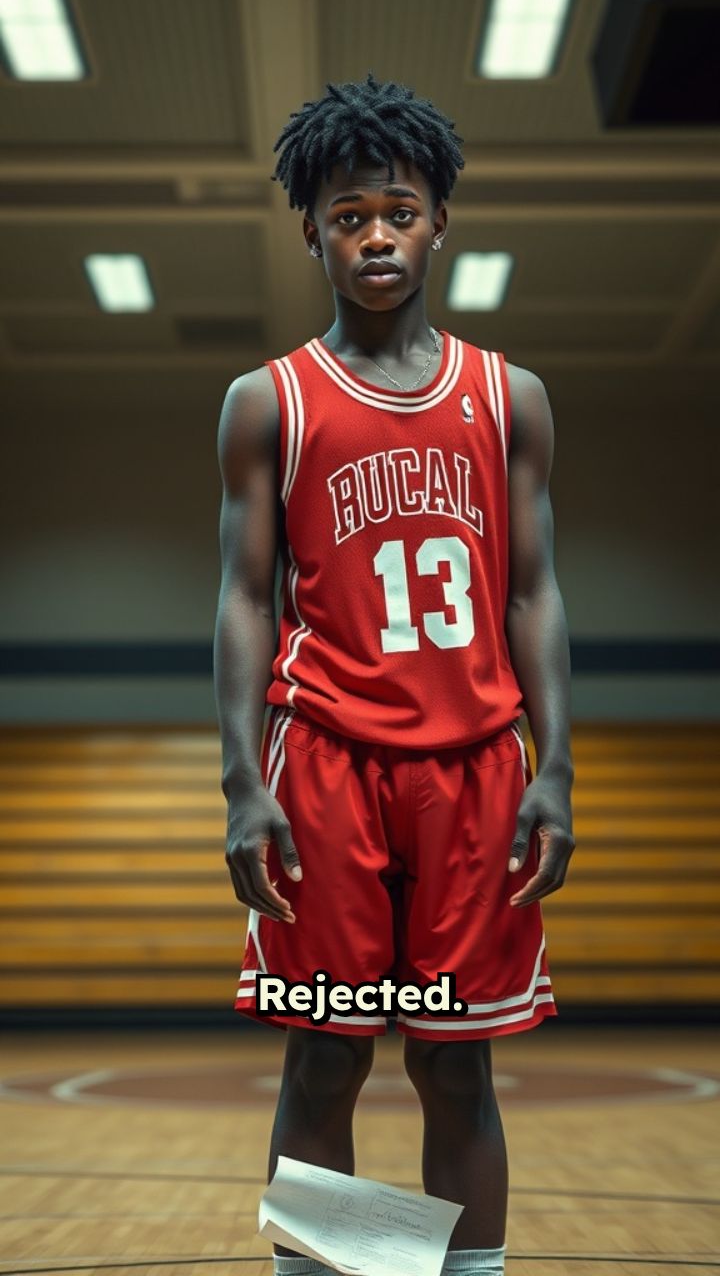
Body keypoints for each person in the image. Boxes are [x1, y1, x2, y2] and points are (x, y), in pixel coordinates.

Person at [213, 73, 575, 1276]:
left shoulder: (509, 397)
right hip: (323, 761)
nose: (377, 235)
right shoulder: (268, 401)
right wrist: (241, 781)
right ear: (311, 232)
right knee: (326, 1053)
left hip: (474, 766)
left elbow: (533, 591)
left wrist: (557, 767)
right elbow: (245, 598)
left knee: (457, 1060)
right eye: (350, 215)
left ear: (439, 223)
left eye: (400, 212)